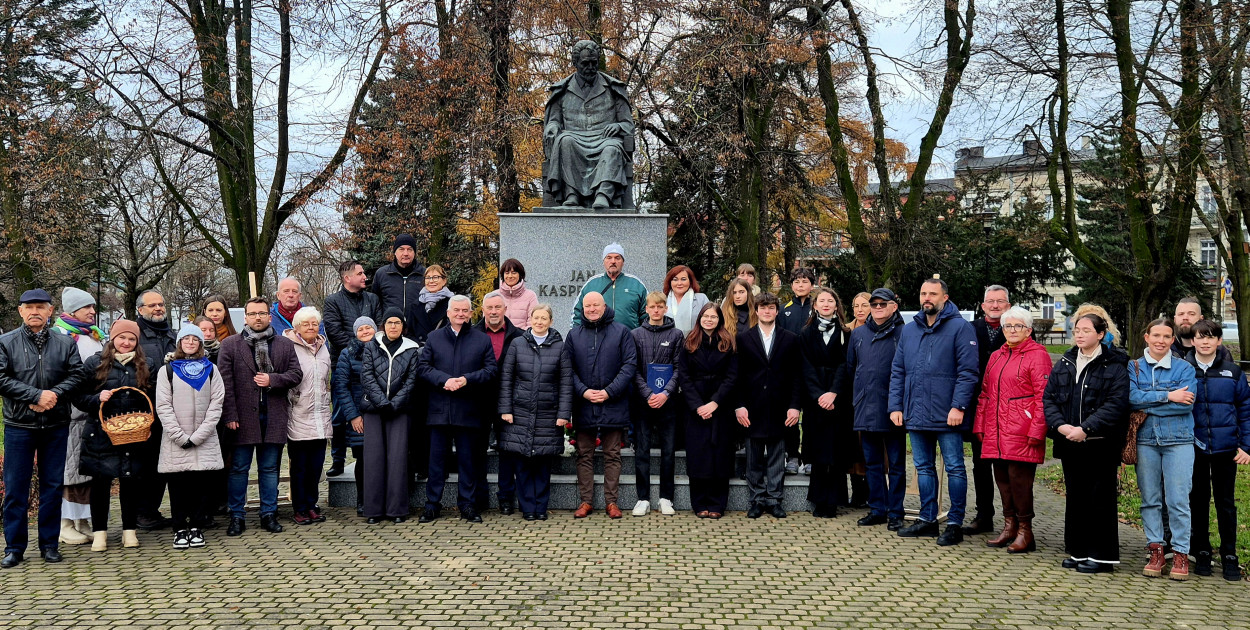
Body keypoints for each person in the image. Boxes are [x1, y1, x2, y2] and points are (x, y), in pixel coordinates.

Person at [888, 277, 979, 546]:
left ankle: (954, 523)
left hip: (947, 414)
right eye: (923, 293)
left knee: (954, 468)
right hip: (915, 412)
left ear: (945, 298)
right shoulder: (910, 329)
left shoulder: (960, 328)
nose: (927, 298)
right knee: (923, 468)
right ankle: (927, 519)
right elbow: (898, 370)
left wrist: (958, 406)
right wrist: (895, 405)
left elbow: (968, 372)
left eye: (933, 294)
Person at [0, 289, 86, 568]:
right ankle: (14, 547)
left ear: (51, 311)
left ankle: (49, 545)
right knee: (15, 488)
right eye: (29, 307)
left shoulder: (64, 342)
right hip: (19, 426)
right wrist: (35, 396)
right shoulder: (6, 342)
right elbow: (1, 377)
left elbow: (78, 375)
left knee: (52, 486)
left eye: (41, 307)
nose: (35, 311)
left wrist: (53, 395)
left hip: (55, 423)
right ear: (20, 311)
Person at [1044, 311, 1130, 574]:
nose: (1079, 335)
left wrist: (1086, 428)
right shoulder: (1065, 362)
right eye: (1076, 330)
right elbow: (1050, 399)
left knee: (1099, 499)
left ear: (1101, 334)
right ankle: (1079, 552)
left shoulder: (1115, 364)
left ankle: (1102, 557)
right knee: (1077, 498)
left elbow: (1115, 404)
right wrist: (1061, 426)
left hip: (1101, 443)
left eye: (1086, 330)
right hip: (1070, 442)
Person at [219, 296, 303, 537]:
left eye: (262, 313)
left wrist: (273, 380)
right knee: (239, 469)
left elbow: (296, 374)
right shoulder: (231, 345)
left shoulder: (285, 344)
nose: (258, 318)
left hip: (273, 414)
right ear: (245, 317)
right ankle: (237, 515)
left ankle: (269, 513)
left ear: (269, 316)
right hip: (242, 418)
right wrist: (230, 415)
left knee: (269, 469)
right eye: (253, 314)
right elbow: (225, 384)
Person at [973, 307, 1052, 554]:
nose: (1012, 330)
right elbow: (985, 393)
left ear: (1028, 330)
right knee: (1003, 480)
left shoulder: (1037, 356)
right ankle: (1010, 526)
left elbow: (1043, 397)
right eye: (1008, 326)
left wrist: (1037, 430)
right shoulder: (997, 355)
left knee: (1020, 482)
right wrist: (980, 425)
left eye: (1018, 326)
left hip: (1022, 430)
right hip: (996, 430)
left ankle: (1025, 531)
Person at [75, 318, 157, 552]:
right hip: (101, 434)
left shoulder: (147, 363)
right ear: (113, 339)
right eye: (122, 337)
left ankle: (129, 531)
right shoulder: (94, 363)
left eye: (131, 339)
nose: (126, 342)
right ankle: (100, 532)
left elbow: (154, 397)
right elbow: (78, 397)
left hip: (134, 433)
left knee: (130, 483)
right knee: (100, 484)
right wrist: (96, 399)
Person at [418, 296, 498, 523]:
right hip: (439, 410)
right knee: (436, 463)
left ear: (472, 314)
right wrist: (444, 380)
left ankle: (468, 505)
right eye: (457, 310)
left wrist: (466, 380)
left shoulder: (481, 340)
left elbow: (491, 370)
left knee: (468, 462)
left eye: (465, 310)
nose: (461, 314)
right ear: (448, 313)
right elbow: (423, 368)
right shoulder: (434, 338)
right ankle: (432, 505)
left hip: (469, 410)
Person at [1130, 317, 1199, 580]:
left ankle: (1180, 554)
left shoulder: (1184, 369)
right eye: (1155, 335)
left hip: (1179, 441)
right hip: (1146, 441)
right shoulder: (1134, 367)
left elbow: (1187, 405)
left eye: (1166, 336)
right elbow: (1130, 399)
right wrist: (1168, 396)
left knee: (1178, 500)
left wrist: (1147, 405)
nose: (1160, 340)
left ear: (1172, 340)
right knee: (1150, 499)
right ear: (1146, 337)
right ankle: (1156, 549)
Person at [1183, 320, 1250, 580]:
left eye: (1211, 337)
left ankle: (1229, 554)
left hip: (1226, 450)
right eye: (1200, 337)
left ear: (1219, 341)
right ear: (1192, 341)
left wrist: (1246, 446)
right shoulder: (1184, 370)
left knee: (1226, 503)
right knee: (1197, 501)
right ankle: (1201, 552)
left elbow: (1245, 412)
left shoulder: (1233, 372)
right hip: (1194, 448)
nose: (1205, 342)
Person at [497, 304, 573, 520]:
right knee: (522, 465)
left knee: (542, 465)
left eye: (544, 318)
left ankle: (540, 508)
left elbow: (566, 383)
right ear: (530, 319)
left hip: (548, 415)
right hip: (519, 414)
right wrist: (505, 409)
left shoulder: (560, 347)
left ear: (550, 321)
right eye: (536, 318)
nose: (539, 322)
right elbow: (506, 378)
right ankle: (527, 508)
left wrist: (563, 414)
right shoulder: (517, 344)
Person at [566, 292, 638, 518]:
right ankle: (586, 501)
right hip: (584, 403)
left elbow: (629, 365)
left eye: (596, 305)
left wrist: (609, 392)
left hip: (613, 403)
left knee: (612, 455)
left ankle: (612, 502)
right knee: (584, 454)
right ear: (582, 308)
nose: (592, 309)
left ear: (604, 306)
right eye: (588, 306)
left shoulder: (621, 332)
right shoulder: (574, 335)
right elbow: (568, 369)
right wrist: (584, 391)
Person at [155, 324, 225, 550]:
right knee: (178, 487)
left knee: (201, 487)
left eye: (196, 339)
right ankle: (179, 529)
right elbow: (163, 406)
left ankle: (196, 526)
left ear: (201, 344)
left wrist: (200, 435)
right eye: (187, 339)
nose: (191, 343)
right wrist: (179, 435)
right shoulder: (167, 371)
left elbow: (217, 403)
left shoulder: (211, 369)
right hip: (176, 439)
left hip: (204, 439)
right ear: (179, 343)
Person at [542, 40, 635, 209]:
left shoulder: (614, 88)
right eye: (585, 63)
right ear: (575, 63)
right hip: (574, 137)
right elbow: (554, 120)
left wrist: (619, 126)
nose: (590, 67)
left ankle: (603, 195)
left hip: (605, 138)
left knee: (612, 149)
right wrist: (552, 127)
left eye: (594, 63)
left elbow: (628, 124)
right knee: (565, 141)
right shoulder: (562, 90)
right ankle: (571, 195)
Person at [735, 293, 803, 519]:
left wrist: (795, 406)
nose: (767, 311)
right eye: (763, 307)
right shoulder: (744, 338)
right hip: (752, 407)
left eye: (771, 308)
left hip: (779, 407)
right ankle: (756, 499)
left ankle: (774, 499)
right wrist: (739, 405)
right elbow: (739, 376)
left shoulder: (790, 338)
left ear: (776, 311)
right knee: (753, 457)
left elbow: (796, 376)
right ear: (756, 310)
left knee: (776, 456)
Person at [845, 288, 906, 531]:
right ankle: (878, 508)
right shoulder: (858, 334)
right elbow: (852, 369)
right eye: (875, 304)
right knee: (872, 463)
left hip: (894, 409)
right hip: (866, 407)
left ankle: (896, 511)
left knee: (897, 465)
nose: (878, 308)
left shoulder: (905, 333)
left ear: (894, 306)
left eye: (883, 304)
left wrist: (899, 403)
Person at [52, 286, 104, 546]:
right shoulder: (60, 335)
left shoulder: (94, 335)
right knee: (69, 469)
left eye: (93, 307)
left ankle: (83, 520)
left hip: (92, 411)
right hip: (69, 413)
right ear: (72, 311)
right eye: (88, 308)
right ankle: (64, 523)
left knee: (88, 469)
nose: (93, 312)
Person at [359, 308, 421, 524]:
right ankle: (373, 510)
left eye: (397, 322)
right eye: (389, 322)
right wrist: (382, 402)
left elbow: (412, 380)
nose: (393, 326)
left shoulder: (412, 349)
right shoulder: (371, 347)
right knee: (374, 459)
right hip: (375, 409)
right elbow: (367, 376)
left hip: (400, 410)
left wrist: (394, 404)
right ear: (383, 325)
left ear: (403, 326)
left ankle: (397, 510)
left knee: (397, 459)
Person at [677, 303, 738, 518]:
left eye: (713, 316)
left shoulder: (728, 342)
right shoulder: (689, 342)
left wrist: (714, 403)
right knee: (698, 456)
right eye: (705, 316)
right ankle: (700, 503)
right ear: (700, 319)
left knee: (719, 456)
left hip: (720, 406)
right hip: (695, 407)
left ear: (719, 319)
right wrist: (698, 406)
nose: (709, 320)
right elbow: (684, 376)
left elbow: (732, 377)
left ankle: (717, 504)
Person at [323, 260, 383, 477]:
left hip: (376, 365)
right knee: (340, 415)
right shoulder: (333, 301)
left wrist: (371, 350)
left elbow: (379, 325)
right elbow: (334, 332)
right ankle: (338, 459)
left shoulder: (372, 299)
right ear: (347, 278)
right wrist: (358, 348)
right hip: (343, 364)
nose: (365, 276)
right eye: (360, 273)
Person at [798, 287, 852, 517]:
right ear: (815, 305)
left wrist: (833, 393)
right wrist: (819, 394)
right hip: (815, 400)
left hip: (838, 399)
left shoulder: (846, 332)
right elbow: (804, 366)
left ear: (836, 306)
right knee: (819, 451)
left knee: (837, 449)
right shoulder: (806, 333)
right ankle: (819, 499)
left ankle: (836, 499)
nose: (827, 304)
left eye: (831, 301)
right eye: (822, 301)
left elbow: (845, 364)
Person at [964, 285, 1013, 536]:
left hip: (1008, 408)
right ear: (982, 306)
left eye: (1000, 302)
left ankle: (1012, 519)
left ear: (1008, 305)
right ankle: (984, 515)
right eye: (990, 302)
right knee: (980, 463)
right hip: (978, 406)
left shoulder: (1018, 330)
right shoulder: (970, 329)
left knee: (1007, 465)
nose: (995, 306)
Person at [630, 292, 685, 516]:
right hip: (643, 402)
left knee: (668, 451)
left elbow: (680, 368)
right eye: (652, 307)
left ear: (665, 309)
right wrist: (647, 393)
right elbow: (632, 368)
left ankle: (666, 498)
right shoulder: (635, 335)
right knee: (641, 450)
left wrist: (665, 393)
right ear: (646, 309)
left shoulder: (676, 335)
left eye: (660, 306)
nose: (656, 310)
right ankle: (642, 498)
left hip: (668, 403)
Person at [474, 292, 524, 513]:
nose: (493, 312)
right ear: (482, 310)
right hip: (478, 402)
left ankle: (505, 497)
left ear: (505, 309)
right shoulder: (471, 335)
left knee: (507, 452)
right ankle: (480, 497)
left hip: (509, 403)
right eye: (489, 308)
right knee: (477, 451)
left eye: (497, 307)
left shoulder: (520, 336)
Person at [283, 307, 333, 526]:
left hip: (320, 415)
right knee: (300, 466)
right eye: (306, 324)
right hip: (298, 414)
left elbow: (325, 380)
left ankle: (312, 505)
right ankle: (300, 508)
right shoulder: (288, 347)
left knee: (316, 465)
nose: (311, 327)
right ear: (297, 327)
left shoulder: (323, 347)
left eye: (315, 323)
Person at [135, 289, 177, 530]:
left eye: (161, 304)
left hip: (170, 410)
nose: (158, 308)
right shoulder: (136, 335)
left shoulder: (172, 334)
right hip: (145, 408)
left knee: (163, 463)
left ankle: (152, 511)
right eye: (152, 305)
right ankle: (141, 512)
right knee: (146, 463)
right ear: (140, 310)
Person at [332, 317, 377, 516]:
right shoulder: (347, 354)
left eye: (369, 328)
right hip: (358, 416)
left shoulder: (384, 350)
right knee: (363, 460)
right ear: (355, 333)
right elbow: (341, 387)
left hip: (381, 414)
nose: (366, 331)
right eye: (361, 329)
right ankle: (363, 500)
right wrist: (353, 416)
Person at [573, 243, 648, 329]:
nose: (613, 261)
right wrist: (577, 336)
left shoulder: (636, 284)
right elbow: (577, 314)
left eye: (617, 258)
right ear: (603, 261)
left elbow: (648, 314)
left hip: (630, 339)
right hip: (598, 339)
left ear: (623, 262)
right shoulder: (591, 284)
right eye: (609, 257)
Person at [371, 233, 428, 313]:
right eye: (401, 249)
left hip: (417, 324)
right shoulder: (382, 274)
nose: (405, 253)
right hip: (391, 324)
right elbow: (375, 304)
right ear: (395, 252)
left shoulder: (425, 274)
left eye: (410, 249)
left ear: (414, 253)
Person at [1172, 296, 1233, 362]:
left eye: (1191, 314)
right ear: (1175, 319)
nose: (1185, 318)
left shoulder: (1219, 352)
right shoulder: (1166, 349)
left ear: (1201, 318)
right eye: (1181, 314)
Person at [407, 264, 452, 344]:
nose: (431, 281)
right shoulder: (415, 305)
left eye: (435, 277)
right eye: (428, 277)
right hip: (421, 352)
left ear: (444, 280)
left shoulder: (453, 304)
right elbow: (409, 333)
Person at [664, 265, 709, 337]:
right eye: (675, 279)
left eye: (683, 279)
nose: (679, 283)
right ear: (670, 282)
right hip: (668, 344)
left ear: (690, 281)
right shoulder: (663, 300)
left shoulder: (701, 299)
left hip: (695, 343)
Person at [498, 259, 539, 330]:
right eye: (507, 273)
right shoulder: (494, 295)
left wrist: (522, 338)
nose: (510, 276)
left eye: (514, 273)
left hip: (522, 338)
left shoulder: (530, 296)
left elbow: (533, 321)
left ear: (520, 275)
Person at [778, 268, 815, 335]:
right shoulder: (782, 310)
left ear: (812, 286)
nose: (800, 285)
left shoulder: (817, 309)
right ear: (792, 286)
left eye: (805, 282)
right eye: (797, 282)